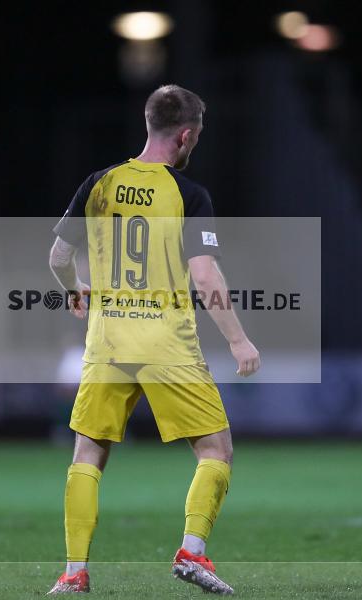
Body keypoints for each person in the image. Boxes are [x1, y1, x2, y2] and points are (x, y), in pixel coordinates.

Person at [46, 84, 260, 595]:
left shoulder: (100, 183)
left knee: (87, 454)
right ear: (185, 135)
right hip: (167, 343)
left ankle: (74, 572)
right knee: (215, 450)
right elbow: (206, 278)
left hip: (108, 343)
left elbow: (57, 256)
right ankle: (192, 551)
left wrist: (75, 291)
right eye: (197, 137)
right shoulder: (190, 195)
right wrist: (239, 340)